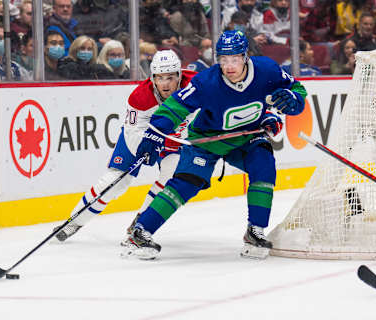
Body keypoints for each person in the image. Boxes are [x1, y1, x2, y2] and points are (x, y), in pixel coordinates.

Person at [122, 30, 307, 260]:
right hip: (206, 139)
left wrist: (294, 100)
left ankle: (255, 232)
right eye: (223, 59)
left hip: (245, 138)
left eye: (234, 59)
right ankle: (140, 232)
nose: (229, 66)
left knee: (264, 166)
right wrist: (155, 133)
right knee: (189, 181)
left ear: (245, 56)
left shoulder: (267, 69)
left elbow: (297, 89)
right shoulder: (206, 82)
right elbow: (174, 107)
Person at [54, 50, 197, 242]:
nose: (165, 84)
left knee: (171, 177)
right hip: (143, 137)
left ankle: (142, 221)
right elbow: (133, 132)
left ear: (179, 76)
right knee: (117, 180)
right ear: (152, 77)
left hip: (177, 139)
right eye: (159, 78)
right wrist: (145, 148)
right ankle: (74, 221)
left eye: (170, 78)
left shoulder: (196, 85)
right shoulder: (140, 98)